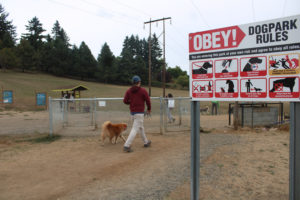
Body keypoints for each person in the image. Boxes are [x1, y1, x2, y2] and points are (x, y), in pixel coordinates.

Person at [123, 75, 151, 152]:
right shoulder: (143, 90)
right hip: (139, 113)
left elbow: (125, 101)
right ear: (139, 82)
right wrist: (149, 109)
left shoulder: (129, 91)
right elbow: (148, 101)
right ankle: (127, 145)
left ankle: (146, 142)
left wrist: (131, 102)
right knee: (135, 129)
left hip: (132, 113)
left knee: (141, 128)